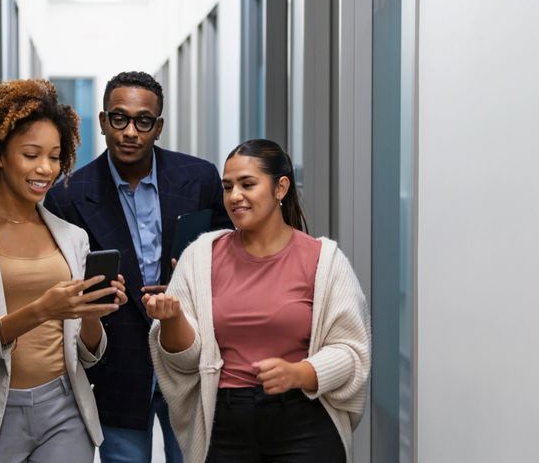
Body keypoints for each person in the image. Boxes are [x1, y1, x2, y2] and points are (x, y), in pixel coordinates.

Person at [0, 79, 127, 462]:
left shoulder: (72, 237)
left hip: (65, 410)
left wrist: (90, 315)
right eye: (31, 154)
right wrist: (42, 309)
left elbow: (89, 353)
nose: (46, 169)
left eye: (55, 156)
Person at [44, 71, 232, 463]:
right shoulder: (68, 195)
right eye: (119, 118)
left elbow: (230, 260)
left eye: (142, 121)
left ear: (157, 126)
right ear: (102, 121)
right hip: (117, 366)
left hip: (189, 353)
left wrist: (193, 279)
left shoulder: (198, 178)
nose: (130, 131)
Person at [145, 139, 371, 463]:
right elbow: (184, 362)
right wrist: (171, 319)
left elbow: (351, 352)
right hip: (224, 426)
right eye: (227, 187)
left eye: (247, 184)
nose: (234, 196)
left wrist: (300, 373)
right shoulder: (199, 257)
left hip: (305, 422)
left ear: (281, 188)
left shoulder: (324, 261)